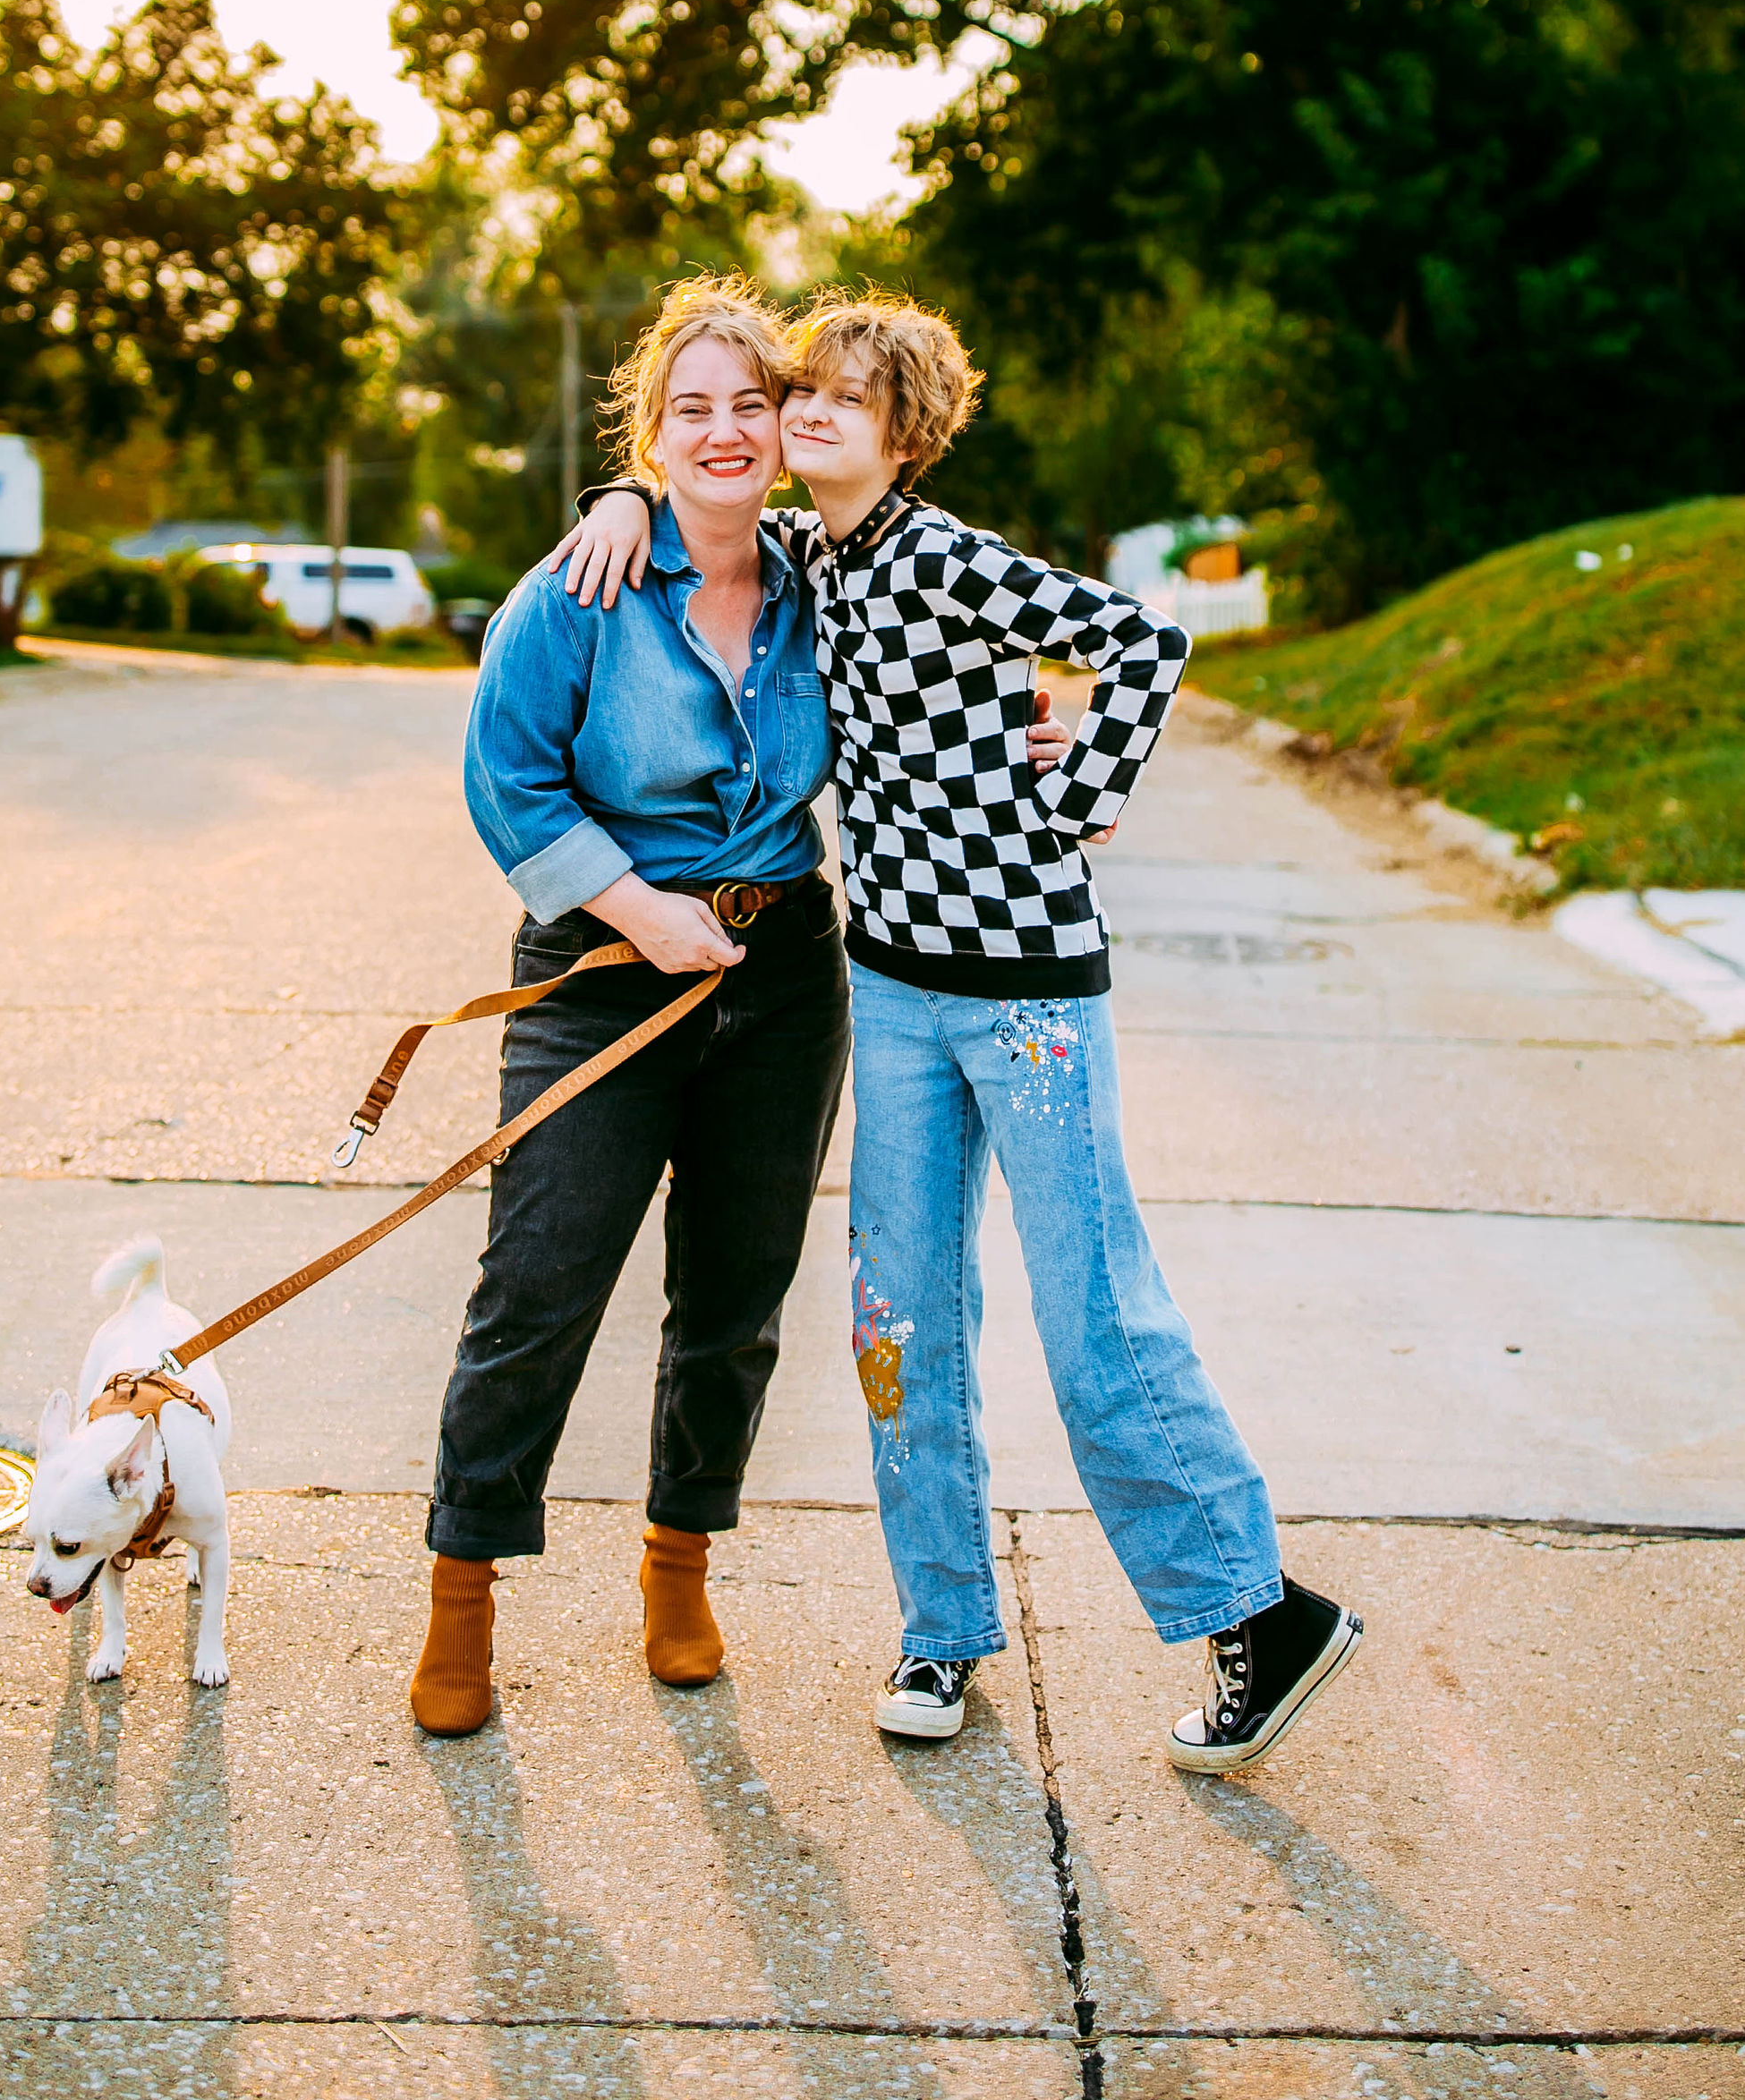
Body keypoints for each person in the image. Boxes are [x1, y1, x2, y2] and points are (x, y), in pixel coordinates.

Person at [560, 288, 1361, 1773]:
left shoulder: (945, 556)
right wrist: (622, 489)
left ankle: (1258, 1611)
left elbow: (1144, 637)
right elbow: (704, 501)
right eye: (802, 396)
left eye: (842, 403)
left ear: (907, 433)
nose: (805, 419)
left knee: (1093, 1317)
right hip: (898, 997)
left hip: (1032, 1001)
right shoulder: (808, 553)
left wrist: (1088, 787)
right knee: (898, 1323)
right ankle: (942, 1629)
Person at [410, 277, 849, 1738]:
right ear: (653, 435)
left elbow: (935, 684)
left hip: (781, 981)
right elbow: (507, 778)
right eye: (691, 410)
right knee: (537, 1288)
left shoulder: (821, 590)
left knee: (732, 1304)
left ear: (784, 431)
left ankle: (678, 1569)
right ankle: (462, 1595)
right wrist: (637, 906)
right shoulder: (581, 588)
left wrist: (1052, 730)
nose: (723, 434)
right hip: (606, 975)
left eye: (749, 407)